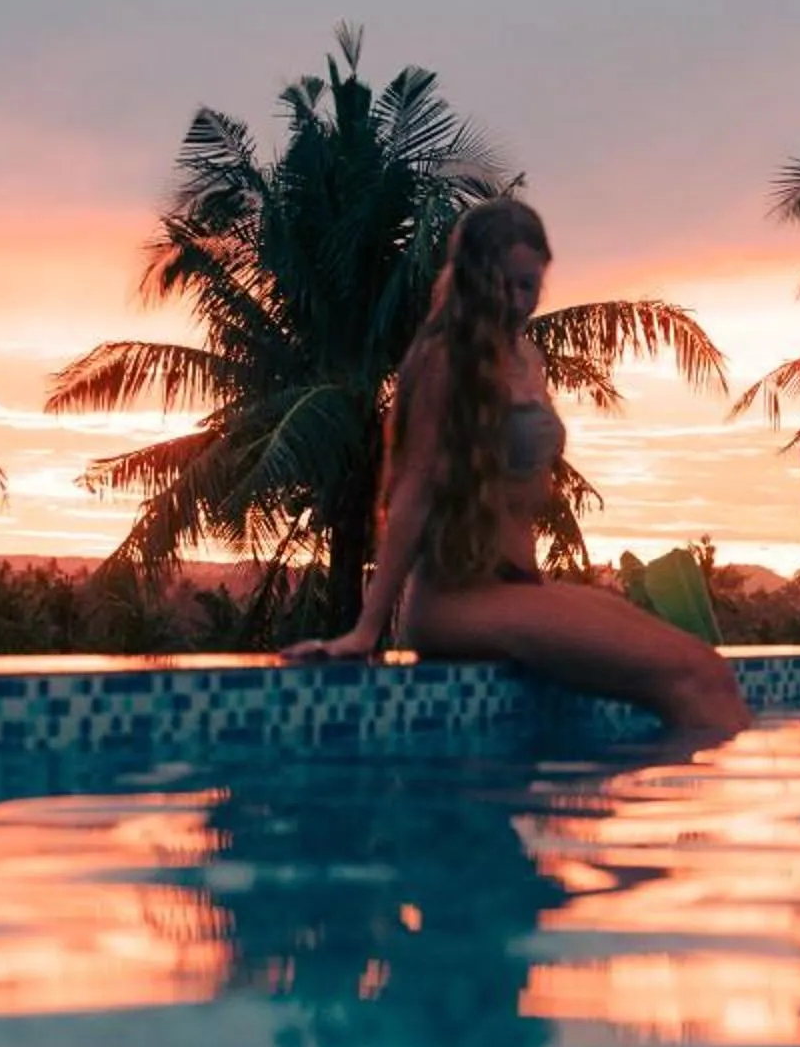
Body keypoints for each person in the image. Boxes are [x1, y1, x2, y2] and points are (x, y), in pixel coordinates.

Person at [291, 197, 749, 739]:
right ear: (470, 281)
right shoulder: (445, 360)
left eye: (528, 285)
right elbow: (413, 490)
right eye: (501, 285)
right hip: (459, 601)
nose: (516, 300)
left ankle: (662, 805)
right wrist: (367, 630)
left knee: (709, 669)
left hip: (519, 588)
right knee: (693, 679)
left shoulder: (527, 358)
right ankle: (670, 811)